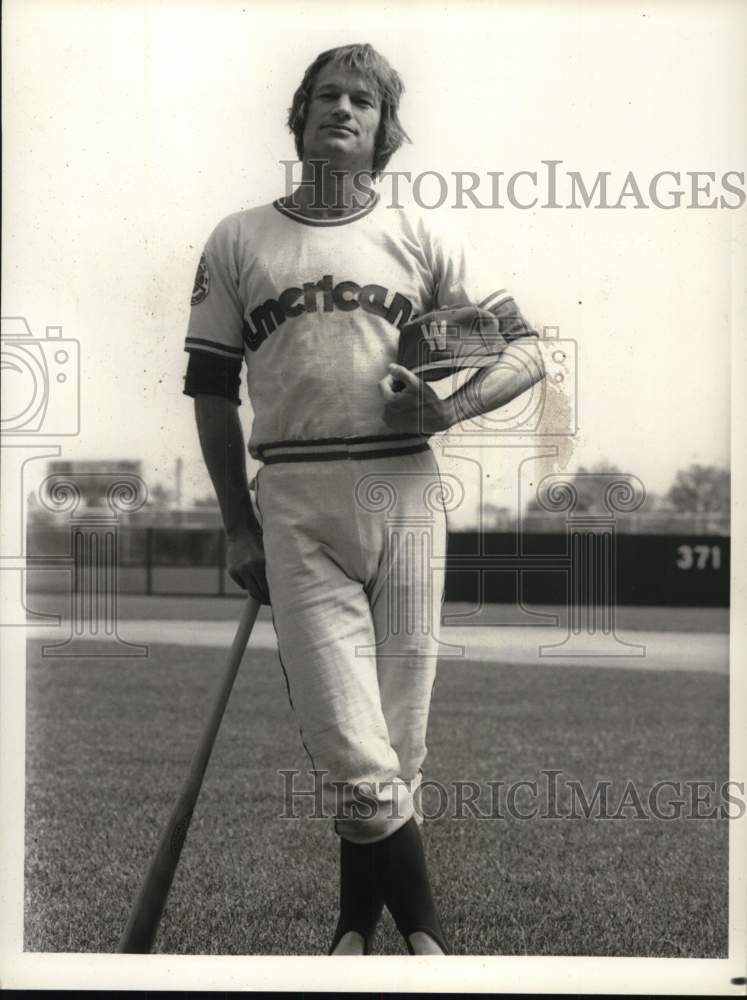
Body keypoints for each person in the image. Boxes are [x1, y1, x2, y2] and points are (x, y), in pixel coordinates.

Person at [183, 42, 544, 956]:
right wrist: (235, 524)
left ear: (385, 131)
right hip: (295, 496)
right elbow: (209, 388)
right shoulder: (238, 237)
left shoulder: (422, 234)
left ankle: (352, 933)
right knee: (351, 744)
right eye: (327, 96)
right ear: (299, 117)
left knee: (400, 744)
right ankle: (428, 943)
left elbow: (528, 350)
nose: (343, 110)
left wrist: (452, 405)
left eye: (364, 102)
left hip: (406, 485)